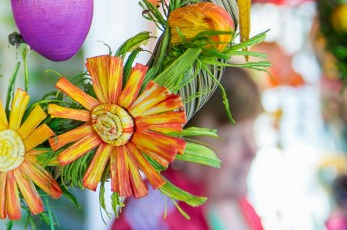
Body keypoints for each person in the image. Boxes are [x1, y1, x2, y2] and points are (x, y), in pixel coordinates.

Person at [112, 66, 264, 229]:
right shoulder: (153, 216)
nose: (253, 149)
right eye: (231, 138)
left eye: (253, 132)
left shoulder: (234, 202)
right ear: (183, 141)